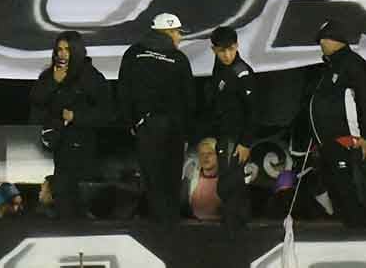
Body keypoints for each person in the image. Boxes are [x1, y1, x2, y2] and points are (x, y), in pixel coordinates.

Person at [117, 13, 195, 227]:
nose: (179, 37)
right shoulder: (179, 59)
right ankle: (170, 230)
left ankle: (156, 232)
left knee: (152, 183)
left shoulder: (133, 53)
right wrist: (187, 132)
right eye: (178, 33)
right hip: (173, 129)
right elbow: (189, 99)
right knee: (170, 183)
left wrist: (132, 123)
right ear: (168, 32)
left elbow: (123, 91)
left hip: (147, 127)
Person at [29, 30, 113, 219]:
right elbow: (36, 100)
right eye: (59, 49)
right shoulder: (51, 75)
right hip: (58, 144)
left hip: (84, 146)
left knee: (76, 197)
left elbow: (107, 112)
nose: (62, 54)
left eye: (67, 49)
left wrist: (76, 116)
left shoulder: (90, 76)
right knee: (62, 194)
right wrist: (53, 82)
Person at [310, 18, 366, 227]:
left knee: (352, 189)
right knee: (339, 190)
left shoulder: (352, 63)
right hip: (330, 142)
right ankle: (348, 229)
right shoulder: (331, 66)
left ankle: (361, 230)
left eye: (323, 39)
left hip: (349, 140)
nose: (321, 44)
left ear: (335, 39)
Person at [207, 27, 255, 229]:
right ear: (213, 50)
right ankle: (235, 224)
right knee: (229, 183)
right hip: (224, 135)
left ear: (237, 46)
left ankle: (234, 226)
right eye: (221, 51)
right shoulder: (219, 68)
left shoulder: (242, 72)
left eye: (231, 49)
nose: (227, 55)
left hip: (236, 137)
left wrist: (245, 142)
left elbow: (254, 111)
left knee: (229, 185)